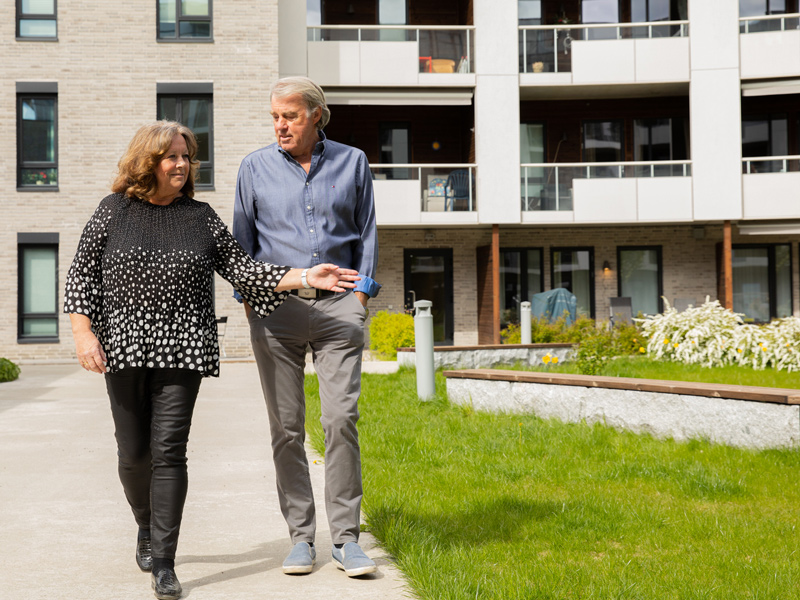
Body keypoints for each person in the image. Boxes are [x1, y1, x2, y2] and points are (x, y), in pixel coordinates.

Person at [64, 121, 359, 600]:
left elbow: (244, 269)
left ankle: (164, 561)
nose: (182, 165)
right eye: (172, 157)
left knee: (169, 451)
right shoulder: (112, 211)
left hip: (183, 347)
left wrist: (306, 274)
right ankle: (146, 524)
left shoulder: (200, 217)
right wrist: (84, 334)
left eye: (186, 157)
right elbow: (81, 276)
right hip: (123, 347)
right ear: (148, 161)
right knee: (133, 454)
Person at [233, 76, 380, 577]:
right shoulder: (253, 167)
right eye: (274, 116)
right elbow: (242, 244)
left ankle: (345, 539)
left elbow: (366, 233)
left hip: (340, 308)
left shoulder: (352, 161)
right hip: (277, 312)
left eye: (289, 116)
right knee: (286, 430)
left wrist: (361, 295)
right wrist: (253, 301)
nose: (280, 126)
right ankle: (301, 537)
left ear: (316, 114)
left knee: (340, 422)